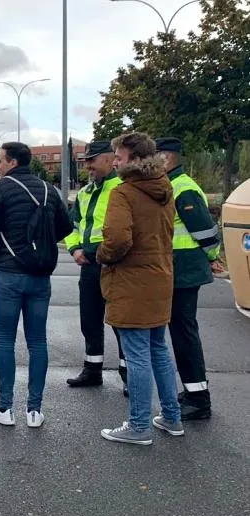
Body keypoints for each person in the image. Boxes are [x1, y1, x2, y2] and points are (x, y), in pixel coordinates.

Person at [0, 142, 72, 427]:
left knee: (5, 340)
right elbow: (65, 227)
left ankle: (5, 408)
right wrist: (38, 247)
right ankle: (34, 410)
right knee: (38, 340)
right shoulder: (48, 189)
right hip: (40, 275)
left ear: (13, 163)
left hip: (7, 273)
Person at [98, 132, 183, 446]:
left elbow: (118, 239)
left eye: (119, 157)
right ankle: (172, 417)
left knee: (136, 355)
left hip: (132, 282)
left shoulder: (125, 193)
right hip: (160, 279)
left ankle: (138, 425)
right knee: (158, 350)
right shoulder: (165, 188)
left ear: (134, 159)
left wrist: (102, 257)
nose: (115, 161)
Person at [156, 137, 221, 421]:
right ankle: (193, 391)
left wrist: (211, 256)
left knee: (184, 334)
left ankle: (198, 399)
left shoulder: (181, 187)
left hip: (184, 271)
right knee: (181, 332)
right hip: (177, 270)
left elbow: (206, 232)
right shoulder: (172, 184)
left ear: (167, 158)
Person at [64, 140, 128, 394]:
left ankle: (129, 375)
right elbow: (72, 226)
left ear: (108, 159)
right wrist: (74, 249)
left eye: (92, 160)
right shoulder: (85, 193)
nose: (87, 166)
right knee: (89, 319)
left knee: (122, 322)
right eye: (85, 161)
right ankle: (92, 370)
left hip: (116, 265)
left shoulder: (122, 189)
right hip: (89, 264)